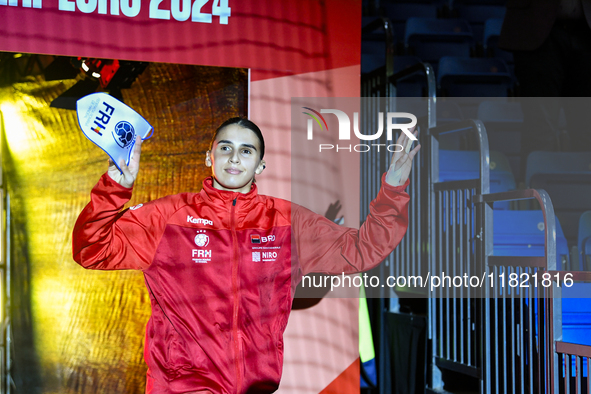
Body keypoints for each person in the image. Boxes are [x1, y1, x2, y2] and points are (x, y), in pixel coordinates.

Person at [72, 117, 420, 393]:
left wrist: (393, 188)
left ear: (260, 166)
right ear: (209, 158)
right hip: (181, 385)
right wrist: (115, 187)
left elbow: (364, 248)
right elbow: (92, 249)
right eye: (225, 148)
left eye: (246, 151)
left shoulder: (286, 221)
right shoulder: (168, 217)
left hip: (256, 386)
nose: (235, 157)